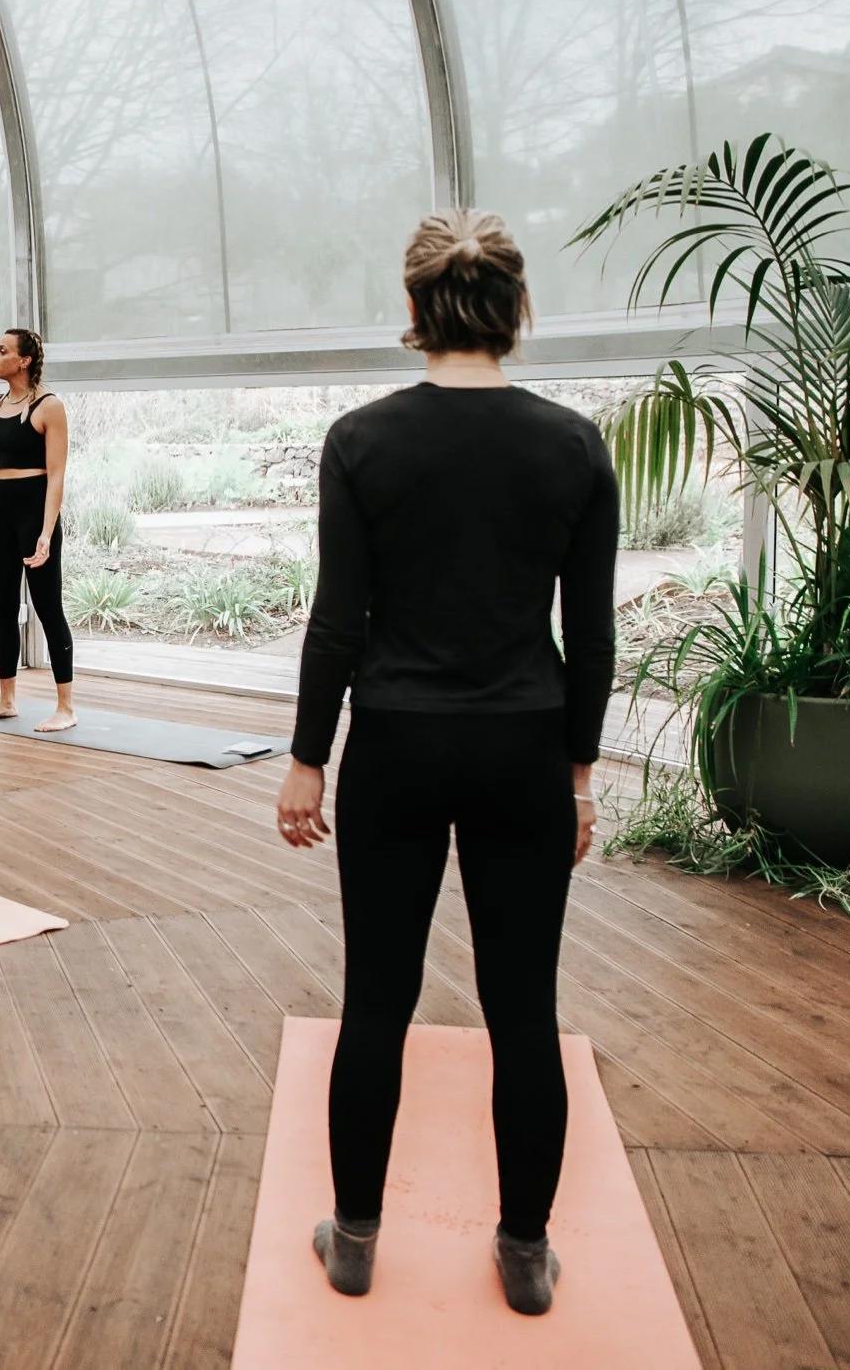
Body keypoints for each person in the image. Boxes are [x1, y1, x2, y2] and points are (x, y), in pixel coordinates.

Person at [275, 210, 617, 1318]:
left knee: (375, 998)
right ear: (514, 309)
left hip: (396, 747)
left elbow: (337, 620)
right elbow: (593, 631)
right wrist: (576, 774)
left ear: (416, 309)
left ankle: (356, 1238)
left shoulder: (362, 439)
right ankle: (524, 1253)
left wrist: (305, 758)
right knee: (525, 1007)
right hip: (522, 745)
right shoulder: (572, 444)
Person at [0, 328, 76, 731]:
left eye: (2, 351)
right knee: (3, 608)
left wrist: (46, 532)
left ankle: (65, 708)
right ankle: (7, 699)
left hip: (32, 515)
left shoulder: (48, 406)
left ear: (23, 361)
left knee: (48, 608)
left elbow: (56, 477)